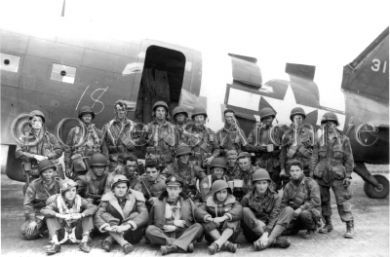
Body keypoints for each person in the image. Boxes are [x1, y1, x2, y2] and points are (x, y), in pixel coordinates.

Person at [256, 160, 321, 251]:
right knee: (282, 229)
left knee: (304, 214)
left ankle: (312, 228)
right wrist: (284, 215)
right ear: (289, 172)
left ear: (302, 171)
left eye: (297, 170)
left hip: (310, 212)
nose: (295, 173)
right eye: (292, 171)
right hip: (294, 214)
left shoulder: (311, 183)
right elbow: (283, 204)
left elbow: (315, 201)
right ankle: (277, 237)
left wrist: (301, 209)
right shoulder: (288, 186)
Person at [312, 112, 355, 238]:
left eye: (330, 122)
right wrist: (313, 173)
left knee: (343, 201)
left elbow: (349, 159)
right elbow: (314, 157)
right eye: (325, 123)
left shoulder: (343, 139)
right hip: (321, 175)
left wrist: (347, 175)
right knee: (324, 201)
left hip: (337, 175)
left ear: (335, 124)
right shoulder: (320, 140)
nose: (328, 125)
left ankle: (349, 226)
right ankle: (328, 224)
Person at [145, 175, 203, 255]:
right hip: (165, 233)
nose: (173, 191)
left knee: (198, 226)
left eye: (175, 189)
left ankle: (171, 247)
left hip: (182, 232)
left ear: (180, 189)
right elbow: (154, 223)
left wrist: (207, 217)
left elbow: (197, 212)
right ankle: (183, 244)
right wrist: (173, 223)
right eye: (170, 188)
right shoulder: (158, 202)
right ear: (167, 189)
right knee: (150, 230)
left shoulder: (187, 201)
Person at [41, 179, 97, 255]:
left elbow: (93, 207)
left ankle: (84, 242)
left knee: (88, 215)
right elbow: (44, 210)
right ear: (63, 193)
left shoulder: (80, 199)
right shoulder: (57, 201)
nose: (71, 193)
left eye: (73, 190)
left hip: (76, 230)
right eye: (68, 191)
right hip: (62, 230)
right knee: (50, 217)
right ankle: (55, 244)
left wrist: (81, 215)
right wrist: (59, 215)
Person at [95, 175, 149, 254]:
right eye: (118, 187)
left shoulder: (137, 196)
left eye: (123, 187)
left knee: (135, 214)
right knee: (104, 214)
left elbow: (145, 214)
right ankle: (123, 243)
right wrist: (108, 228)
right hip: (112, 227)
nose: (121, 190)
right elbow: (98, 215)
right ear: (113, 188)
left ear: (127, 188)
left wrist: (126, 226)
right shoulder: (107, 198)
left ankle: (110, 239)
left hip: (132, 234)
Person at [241, 168, 290, 250]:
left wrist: (266, 233)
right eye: (259, 183)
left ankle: (265, 241)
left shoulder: (275, 197)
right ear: (254, 184)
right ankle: (272, 241)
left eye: (264, 183)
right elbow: (243, 217)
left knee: (288, 210)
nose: (262, 186)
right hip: (253, 230)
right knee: (245, 210)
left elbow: (274, 216)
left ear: (268, 184)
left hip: (269, 229)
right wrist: (257, 222)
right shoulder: (247, 198)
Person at [15, 110, 63, 191]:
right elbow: (18, 152)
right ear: (30, 122)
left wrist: (47, 157)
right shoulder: (24, 138)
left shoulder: (49, 136)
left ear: (42, 123)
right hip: (33, 170)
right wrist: (34, 156)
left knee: (53, 192)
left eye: (40, 120)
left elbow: (59, 150)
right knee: (31, 191)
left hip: (47, 169)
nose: (37, 123)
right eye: (34, 120)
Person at [195, 180, 242, 254]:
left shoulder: (233, 202)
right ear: (214, 193)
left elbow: (238, 210)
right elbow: (198, 211)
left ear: (227, 192)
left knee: (234, 219)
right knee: (205, 220)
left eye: (224, 192)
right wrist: (211, 219)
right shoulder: (208, 202)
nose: (221, 195)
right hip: (212, 235)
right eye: (219, 192)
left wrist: (224, 217)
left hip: (230, 235)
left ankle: (218, 244)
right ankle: (226, 244)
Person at [21, 160, 61, 240]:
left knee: (61, 234)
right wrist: (32, 220)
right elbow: (27, 204)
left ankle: (50, 228)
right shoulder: (34, 185)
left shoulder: (60, 184)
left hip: (55, 213)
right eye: (45, 172)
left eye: (50, 172)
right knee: (28, 233)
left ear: (54, 172)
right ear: (40, 174)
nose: (48, 175)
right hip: (39, 214)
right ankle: (43, 228)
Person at [246, 107, 282, 189]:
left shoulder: (278, 130)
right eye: (265, 118)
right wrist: (259, 148)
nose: (267, 120)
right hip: (260, 163)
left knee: (274, 188)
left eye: (269, 118)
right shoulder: (256, 131)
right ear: (262, 119)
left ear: (273, 118)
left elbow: (283, 147)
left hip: (274, 164)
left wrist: (275, 149)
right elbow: (247, 146)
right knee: (259, 186)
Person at [64, 106, 102, 178]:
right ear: (81, 117)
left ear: (92, 117)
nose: (87, 118)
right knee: (79, 185)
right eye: (85, 116)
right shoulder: (74, 131)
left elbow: (104, 149)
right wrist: (67, 167)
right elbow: (67, 150)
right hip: (78, 164)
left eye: (89, 116)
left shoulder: (98, 132)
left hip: (93, 164)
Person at [101, 100, 137, 172]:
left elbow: (141, 142)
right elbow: (103, 145)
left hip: (129, 163)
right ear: (115, 111)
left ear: (126, 111)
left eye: (123, 110)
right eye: (119, 110)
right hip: (113, 163)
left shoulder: (134, 125)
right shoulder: (107, 126)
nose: (121, 112)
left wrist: (134, 143)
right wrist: (106, 163)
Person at [280, 107, 315, 178]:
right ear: (292, 119)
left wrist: (312, 170)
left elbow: (312, 154)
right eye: (296, 118)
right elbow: (283, 154)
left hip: (304, 169)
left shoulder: (309, 134)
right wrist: (282, 169)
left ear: (303, 119)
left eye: (300, 118)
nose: (298, 120)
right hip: (290, 169)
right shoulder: (287, 134)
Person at [145, 101, 178, 168]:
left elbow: (175, 147)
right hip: (151, 162)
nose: (160, 113)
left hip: (167, 162)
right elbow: (142, 144)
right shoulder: (148, 127)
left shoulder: (172, 128)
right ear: (154, 113)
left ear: (166, 113)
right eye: (158, 110)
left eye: (163, 111)